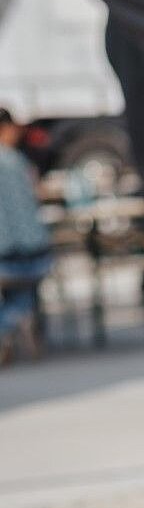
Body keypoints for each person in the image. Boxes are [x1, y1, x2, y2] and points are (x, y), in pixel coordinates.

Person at [0, 108, 54, 364]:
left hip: (9, 253)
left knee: (16, 292)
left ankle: (10, 328)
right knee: (23, 293)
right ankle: (13, 325)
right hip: (28, 252)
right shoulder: (15, 161)